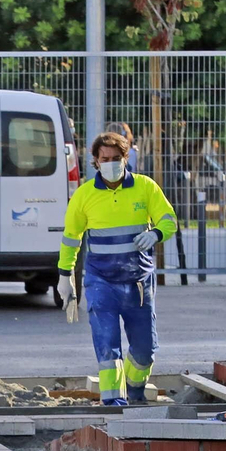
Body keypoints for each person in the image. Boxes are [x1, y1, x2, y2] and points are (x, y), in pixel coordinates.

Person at [59, 131, 179, 406]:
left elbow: (169, 220)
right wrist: (65, 275)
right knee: (107, 344)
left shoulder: (145, 187)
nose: (110, 163)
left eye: (116, 158)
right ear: (95, 161)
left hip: (138, 282)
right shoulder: (84, 195)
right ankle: (113, 402)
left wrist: (156, 233)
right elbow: (71, 238)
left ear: (126, 158)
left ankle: (135, 391)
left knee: (145, 351)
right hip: (101, 282)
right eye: (105, 159)